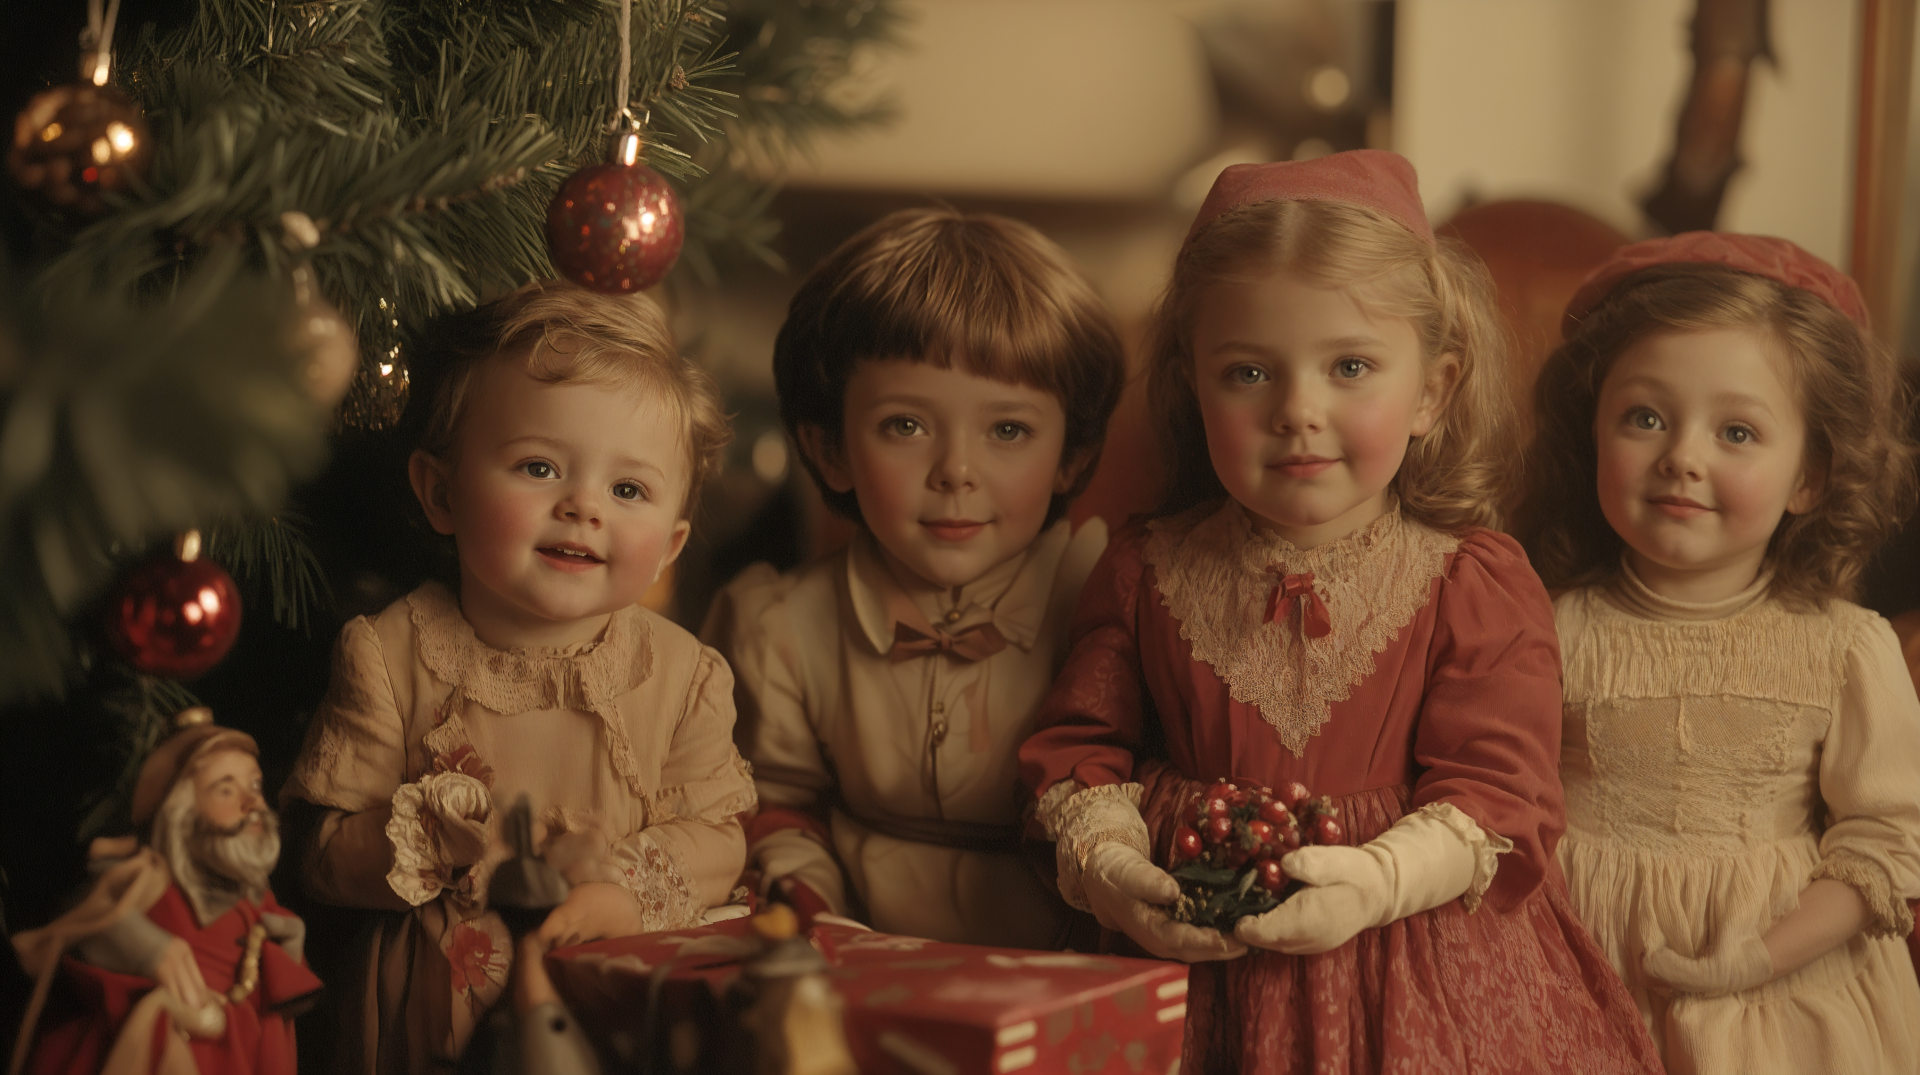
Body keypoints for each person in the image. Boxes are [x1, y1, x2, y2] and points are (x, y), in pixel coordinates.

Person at [1018, 151, 1662, 1072]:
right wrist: (1111, 864)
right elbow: (1080, 747)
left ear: (1432, 391)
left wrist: (1379, 878)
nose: (1299, 410)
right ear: (1194, 382)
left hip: (1412, 969)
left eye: (1350, 365)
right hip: (1190, 956)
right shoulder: (1142, 569)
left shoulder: (1470, 580)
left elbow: (1499, 791)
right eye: (1248, 374)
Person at [279, 281, 756, 1072]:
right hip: (435, 1009)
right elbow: (321, 855)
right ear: (441, 492)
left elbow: (719, 838)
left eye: (627, 488)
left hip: (605, 995)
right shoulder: (388, 652)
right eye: (539, 466)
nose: (583, 508)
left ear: (671, 544)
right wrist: (430, 838)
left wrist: (625, 890)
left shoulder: (683, 674)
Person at [1516, 231, 1920, 1073]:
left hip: (1781, 999)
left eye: (1737, 431)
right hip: (1574, 983)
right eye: (1646, 416)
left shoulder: (1844, 648)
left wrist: (1762, 955)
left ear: (1809, 474)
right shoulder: (1543, 627)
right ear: (1592, 431)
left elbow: (1884, 840)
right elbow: (1502, 805)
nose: (1682, 457)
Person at [703, 207, 1125, 948]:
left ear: (1073, 453)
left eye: (1008, 430)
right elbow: (777, 805)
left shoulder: (1107, 603)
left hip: (1070, 970)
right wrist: (813, 906)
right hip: (861, 964)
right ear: (830, 448)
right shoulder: (783, 626)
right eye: (906, 425)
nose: (956, 472)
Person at [12, 708, 322, 1075]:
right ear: (182, 810)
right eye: (225, 789)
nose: (252, 804)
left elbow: (282, 1004)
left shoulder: (258, 902)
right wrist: (147, 949)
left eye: (254, 785)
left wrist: (286, 948)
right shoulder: (145, 877)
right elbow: (82, 918)